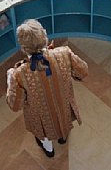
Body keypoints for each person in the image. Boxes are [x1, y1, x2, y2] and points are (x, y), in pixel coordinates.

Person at [6, 19, 88, 158]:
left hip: (40, 115)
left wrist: (9, 79)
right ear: (45, 36)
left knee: (43, 131)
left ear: (24, 47)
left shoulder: (19, 74)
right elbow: (83, 71)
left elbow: (15, 105)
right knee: (63, 118)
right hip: (63, 104)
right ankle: (63, 137)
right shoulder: (64, 53)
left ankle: (48, 149)